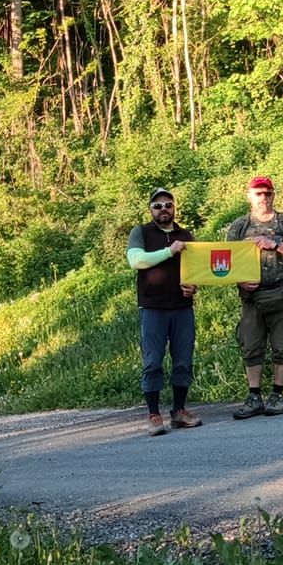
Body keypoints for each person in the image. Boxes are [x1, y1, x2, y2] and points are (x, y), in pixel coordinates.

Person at [225, 175, 283, 418]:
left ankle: (277, 395)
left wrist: (274, 244)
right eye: (258, 193)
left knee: (281, 346)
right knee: (251, 347)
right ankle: (254, 397)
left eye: (267, 193)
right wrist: (240, 280)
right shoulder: (239, 227)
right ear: (249, 196)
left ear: (273, 195)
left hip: (281, 295)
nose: (263, 197)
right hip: (251, 299)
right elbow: (226, 261)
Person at [126, 187, 202, 436]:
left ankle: (179, 411)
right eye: (157, 206)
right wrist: (169, 251)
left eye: (168, 204)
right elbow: (136, 261)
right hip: (152, 308)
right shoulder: (141, 232)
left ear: (174, 207)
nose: (163, 209)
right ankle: (154, 414)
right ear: (150, 209)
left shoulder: (186, 235)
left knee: (183, 361)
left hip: (182, 308)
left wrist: (194, 286)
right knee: (152, 362)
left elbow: (198, 268)